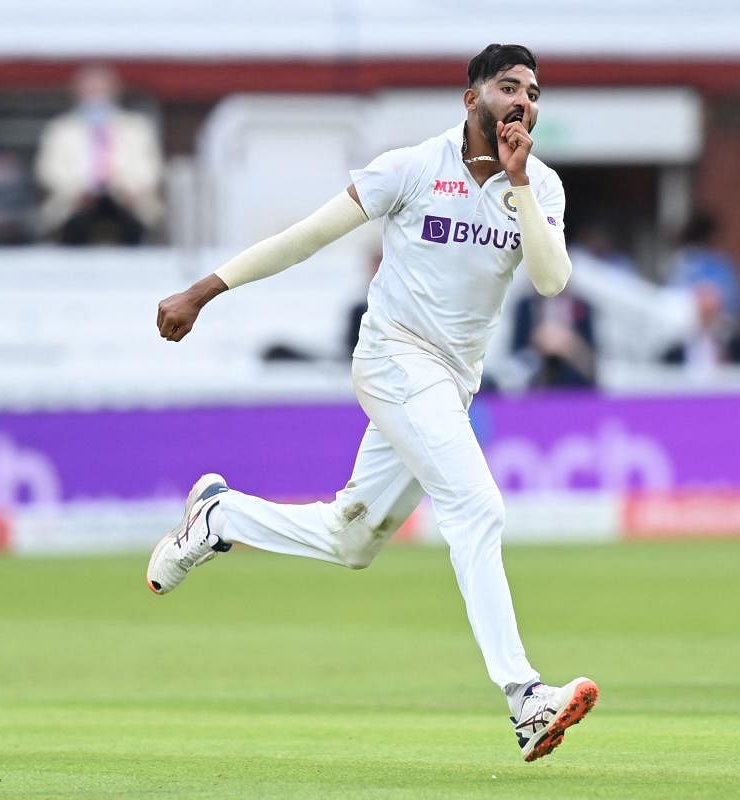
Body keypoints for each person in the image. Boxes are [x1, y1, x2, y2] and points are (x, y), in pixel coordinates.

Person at [146, 44, 597, 762]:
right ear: (470, 98)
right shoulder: (413, 167)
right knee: (477, 508)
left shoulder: (539, 186)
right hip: (393, 360)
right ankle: (525, 700)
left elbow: (549, 281)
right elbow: (304, 239)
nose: (524, 101)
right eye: (509, 87)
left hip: (449, 381)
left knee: (351, 539)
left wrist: (515, 185)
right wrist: (204, 291)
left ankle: (220, 516)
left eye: (535, 92)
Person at [34, 64, 164, 245]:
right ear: (77, 92)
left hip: (128, 203)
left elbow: (150, 169)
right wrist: (77, 191)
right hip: (75, 204)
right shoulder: (61, 129)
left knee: (132, 226)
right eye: (90, 90)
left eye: (101, 90)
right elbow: (48, 170)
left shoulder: (136, 127)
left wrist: (128, 189)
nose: (96, 96)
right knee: (75, 226)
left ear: (114, 91)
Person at [666, 210, 740, 323]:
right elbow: (735, 304)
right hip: (707, 325)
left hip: (694, 324)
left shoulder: (683, 261)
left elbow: (671, 298)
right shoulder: (719, 263)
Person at [510, 290, 598, 388]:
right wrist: (536, 346)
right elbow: (516, 356)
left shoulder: (582, 306)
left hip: (574, 387)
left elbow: (592, 364)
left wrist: (569, 345)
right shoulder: (526, 306)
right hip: (536, 386)